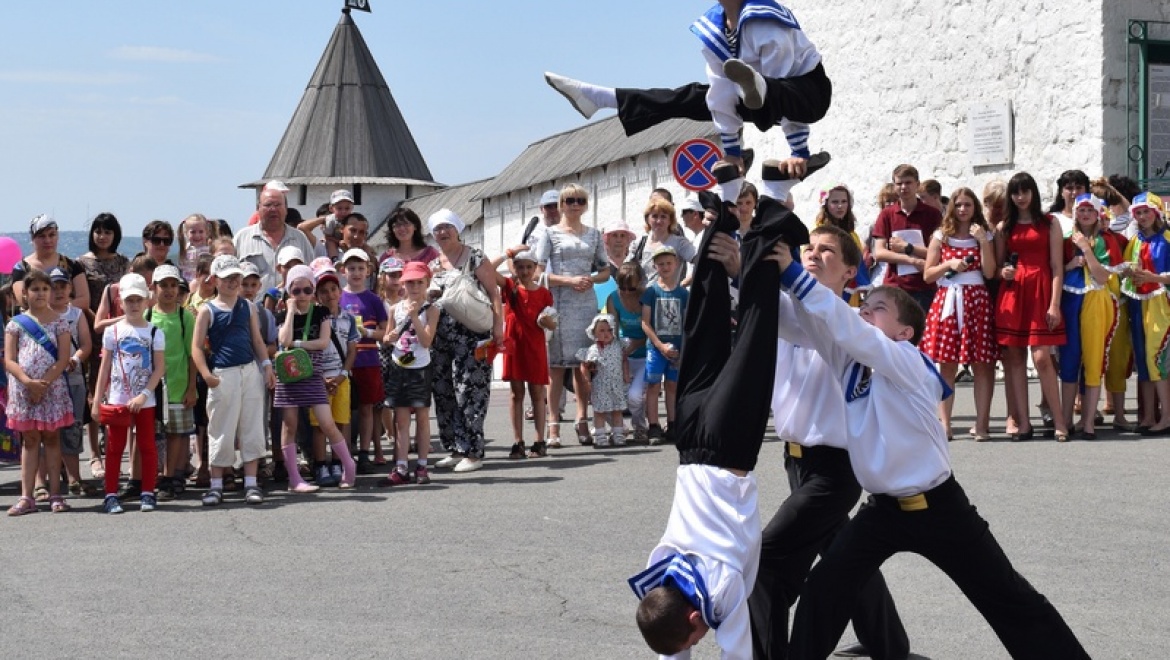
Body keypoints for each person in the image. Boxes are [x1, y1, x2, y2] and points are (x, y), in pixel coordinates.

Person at [769, 250, 1089, 658]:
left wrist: (793, 272)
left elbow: (848, 329)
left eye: (878, 309)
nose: (864, 312)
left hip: (939, 508)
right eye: (863, 307)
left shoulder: (907, 360)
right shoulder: (852, 362)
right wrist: (745, 273)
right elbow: (805, 326)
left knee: (1010, 599)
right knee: (824, 590)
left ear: (905, 332)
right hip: (882, 512)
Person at [627, 160, 807, 658]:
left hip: (729, 445)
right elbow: (666, 633)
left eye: (695, 635)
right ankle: (726, 206)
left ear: (693, 617)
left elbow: (738, 649)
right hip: (688, 441)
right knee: (703, 325)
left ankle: (767, 206)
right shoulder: (660, 569)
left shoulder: (721, 589)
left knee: (754, 334)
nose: (700, 637)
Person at [750, 225, 909, 660]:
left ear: (850, 272)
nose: (813, 255)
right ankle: (890, 646)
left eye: (826, 251)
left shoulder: (853, 323)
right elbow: (753, 291)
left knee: (765, 562)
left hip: (834, 471)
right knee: (845, 557)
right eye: (809, 249)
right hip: (795, 461)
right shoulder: (788, 309)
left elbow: (811, 323)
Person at [545, 0, 832, 175]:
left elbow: (785, 92)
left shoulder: (768, 21)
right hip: (755, 95)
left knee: (775, 90)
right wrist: (731, 151)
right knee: (695, 96)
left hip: (808, 93)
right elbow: (719, 92)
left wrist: (799, 151)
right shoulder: (714, 29)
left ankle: (756, 86)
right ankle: (602, 98)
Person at [191, 255, 277, 506]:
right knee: (221, 428)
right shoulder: (207, 310)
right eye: (227, 277)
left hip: (249, 371)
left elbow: (257, 340)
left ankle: (251, 482)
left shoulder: (248, 307)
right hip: (223, 373)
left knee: (252, 426)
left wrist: (266, 365)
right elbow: (196, 347)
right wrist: (206, 374)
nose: (232, 282)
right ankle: (216, 484)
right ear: (215, 280)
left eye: (235, 277)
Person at [533, 185, 610, 447]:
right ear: (562, 205)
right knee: (556, 368)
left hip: (586, 303)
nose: (574, 205)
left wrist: (590, 278)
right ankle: (553, 425)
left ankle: (582, 419)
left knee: (583, 367)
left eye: (580, 200)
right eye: (569, 200)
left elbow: (605, 271)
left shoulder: (594, 234)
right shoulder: (550, 234)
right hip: (560, 302)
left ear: (586, 204)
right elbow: (536, 273)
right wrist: (568, 280)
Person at [919, 188, 998, 441]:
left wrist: (984, 242)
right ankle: (945, 424)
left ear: (975, 207)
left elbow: (989, 272)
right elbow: (928, 274)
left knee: (982, 365)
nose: (963, 209)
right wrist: (948, 265)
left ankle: (982, 423)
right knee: (947, 364)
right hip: (948, 301)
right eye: (959, 205)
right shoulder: (941, 236)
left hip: (976, 299)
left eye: (968, 205)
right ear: (952, 208)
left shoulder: (983, 234)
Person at [429, 209, 504, 472]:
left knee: (470, 392)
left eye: (447, 226)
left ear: (458, 228)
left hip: (473, 337)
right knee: (444, 392)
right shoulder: (434, 264)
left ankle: (473, 451)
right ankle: (455, 447)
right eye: (437, 228)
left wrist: (499, 328)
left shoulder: (475, 257)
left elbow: (495, 294)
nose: (442, 232)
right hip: (442, 337)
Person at [995, 172, 1067, 441]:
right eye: (1015, 192)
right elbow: (1000, 264)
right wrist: (1005, 272)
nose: (1021, 197)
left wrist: (1055, 305)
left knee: (1041, 358)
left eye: (1025, 191)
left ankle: (1059, 421)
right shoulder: (1005, 227)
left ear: (1034, 193)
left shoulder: (1050, 223)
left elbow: (1057, 267)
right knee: (1014, 359)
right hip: (1013, 294)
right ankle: (1024, 423)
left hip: (1041, 290)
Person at [275, 265, 358, 492]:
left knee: (327, 422)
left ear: (313, 290)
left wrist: (297, 345)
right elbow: (283, 340)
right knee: (289, 425)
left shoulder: (321, 313)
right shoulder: (282, 314)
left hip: (313, 375)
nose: (302, 295)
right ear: (289, 291)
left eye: (307, 290)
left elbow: (322, 343)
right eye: (296, 290)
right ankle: (295, 479)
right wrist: (291, 312)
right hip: (289, 377)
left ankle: (348, 464)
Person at [91, 273, 165, 514]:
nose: (134, 305)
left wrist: (144, 394)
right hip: (117, 399)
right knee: (114, 447)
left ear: (146, 301)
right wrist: (97, 398)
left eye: (138, 300)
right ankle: (111, 493)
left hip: (145, 400)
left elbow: (159, 367)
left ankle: (148, 491)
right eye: (129, 300)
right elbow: (105, 366)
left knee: (146, 445)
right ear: (121, 303)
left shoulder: (155, 332)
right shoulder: (112, 331)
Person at [5, 270, 75, 516]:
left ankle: (56, 493)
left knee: (52, 439)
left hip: (52, 388)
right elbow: (9, 360)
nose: (41, 293)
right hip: (24, 390)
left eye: (45, 289)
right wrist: (28, 382)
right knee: (30, 440)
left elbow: (64, 358)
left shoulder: (59, 322)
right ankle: (27, 496)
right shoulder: (15, 324)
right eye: (35, 289)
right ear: (25, 293)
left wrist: (42, 384)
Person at [1058, 194, 1121, 440]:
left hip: (1095, 299)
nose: (1084, 214)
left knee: (1093, 359)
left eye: (1089, 210)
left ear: (1097, 214)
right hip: (1070, 299)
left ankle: (1088, 422)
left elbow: (1103, 276)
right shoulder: (1064, 240)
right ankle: (1065, 420)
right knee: (1070, 359)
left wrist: (1086, 249)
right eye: (1080, 210)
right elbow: (1056, 271)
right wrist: (1069, 264)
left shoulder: (1105, 240)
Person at [77, 212, 130, 480]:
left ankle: (114, 452)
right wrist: (95, 320)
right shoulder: (82, 263)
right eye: (98, 231)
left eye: (108, 231)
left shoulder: (124, 262)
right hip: (95, 331)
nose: (102, 236)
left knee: (118, 391)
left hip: (123, 333)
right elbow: (80, 298)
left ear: (115, 234)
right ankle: (95, 455)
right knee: (94, 392)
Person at [378, 261, 441, 486]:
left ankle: (422, 465)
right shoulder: (395, 308)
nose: (414, 287)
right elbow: (385, 339)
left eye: (419, 282)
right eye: (410, 282)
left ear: (427, 283)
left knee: (422, 419)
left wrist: (415, 316)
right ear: (403, 284)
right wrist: (390, 337)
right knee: (401, 420)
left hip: (420, 368)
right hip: (399, 366)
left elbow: (426, 341)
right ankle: (401, 466)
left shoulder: (432, 310)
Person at [494, 248, 555, 459]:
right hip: (514, 346)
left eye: (529, 267)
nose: (525, 271)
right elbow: (487, 270)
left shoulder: (544, 293)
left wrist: (550, 323)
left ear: (536, 268)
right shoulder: (510, 288)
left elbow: (552, 321)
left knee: (537, 394)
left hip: (535, 346)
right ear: (515, 268)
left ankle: (540, 441)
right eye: (521, 267)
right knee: (516, 393)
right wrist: (507, 253)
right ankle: (518, 441)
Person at [1121, 192, 1170, 435]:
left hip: (1162, 304)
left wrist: (1154, 277)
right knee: (1143, 358)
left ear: (1157, 212)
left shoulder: (1168, 238)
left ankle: (1167, 416)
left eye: (1146, 211)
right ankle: (1149, 415)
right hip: (1138, 303)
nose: (1142, 217)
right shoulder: (1134, 242)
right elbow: (1126, 269)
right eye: (1138, 213)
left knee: (1157, 357)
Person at [146, 265, 197, 500]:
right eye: (163, 285)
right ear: (153, 288)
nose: (168, 290)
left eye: (173, 285)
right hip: (153, 387)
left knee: (177, 433)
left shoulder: (185, 317)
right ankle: (154, 474)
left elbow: (191, 354)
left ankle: (173, 475)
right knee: (156, 433)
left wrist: (191, 387)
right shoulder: (147, 316)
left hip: (178, 384)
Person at [47, 267, 96, 499]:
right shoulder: (39, 314)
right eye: (53, 287)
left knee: (73, 428)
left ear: (70, 288)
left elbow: (86, 344)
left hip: (73, 380)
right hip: (47, 381)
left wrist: (75, 359)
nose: (58, 291)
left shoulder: (76, 314)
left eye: (63, 286)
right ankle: (46, 480)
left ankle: (75, 477)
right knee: (47, 429)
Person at [338, 248, 389, 473]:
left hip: (368, 360)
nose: (356, 273)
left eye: (360, 268)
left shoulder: (374, 300)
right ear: (343, 271)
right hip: (343, 362)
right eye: (351, 268)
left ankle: (365, 453)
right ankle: (346, 452)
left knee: (367, 408)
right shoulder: (337, 297)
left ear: (368, 270)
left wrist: (366, 333)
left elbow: (385, 333)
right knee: (345, 410)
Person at [311, 259, 359, 486]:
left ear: (340, 291)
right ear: (316, 295)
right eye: (323, 291)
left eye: (333, 289)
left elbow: (351, 350)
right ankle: (321, 465)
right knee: (319, 425)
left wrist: (342, 375)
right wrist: (320, 377)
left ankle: (340, 461)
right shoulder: (312, 319)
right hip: (317, 379)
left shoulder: (348, 319)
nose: (329, 294)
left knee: (340, 422)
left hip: (341, 378)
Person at [869, 165, 943, 312]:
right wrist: (912, 259)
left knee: (921, 333)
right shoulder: (887, 214)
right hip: (894, 286)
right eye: (899, 183)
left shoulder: (932, 214)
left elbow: (939, 253)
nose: (903, 187)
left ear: (917, 184)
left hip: (924, 287)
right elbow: (879, 253)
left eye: (908, 182)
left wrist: (907, 248)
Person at [641, 246, 689, 445]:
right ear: (655, 266)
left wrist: (681, 348)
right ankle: (653, 425)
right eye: (661, 264)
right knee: (653, 385)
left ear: (676, 264)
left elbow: (687, 323)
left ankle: (673, 423)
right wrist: (659, 345)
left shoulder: (683, 294)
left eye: (669, 263)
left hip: (676, 348)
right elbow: (645, 322)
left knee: (672, 385)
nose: (665, 267)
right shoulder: (651, 291)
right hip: (656, 347)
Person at [235, 187, 317, 292]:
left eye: (278, 205)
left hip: (290, 306)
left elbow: (311, 274)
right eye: (268, 205)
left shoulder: (300, 239)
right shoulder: (242, 238)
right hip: (252, 307)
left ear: (286, 209)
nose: (273, 209)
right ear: (258, 208)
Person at [606, 262, 650, 444]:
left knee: (634, 396)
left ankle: (639, 425)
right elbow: (612, 330)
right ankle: (618, 427)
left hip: (645, 353)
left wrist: (639, 342)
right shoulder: (613, 298)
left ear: (640, 283)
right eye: (621, 287)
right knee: (605, 393)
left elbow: (656, 330)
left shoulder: (648, 297)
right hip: (623, 354)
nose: (625, 292)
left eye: (630, 288)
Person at [12, 214, 89, 312]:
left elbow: (84, 300)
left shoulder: (72, 265)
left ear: (57, 236)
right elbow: (24, 301)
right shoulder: (21, 268)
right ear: (33, 239)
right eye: (42, 236)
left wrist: (54, 307)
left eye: (51, 235)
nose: (47, 240)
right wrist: (61, 304)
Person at [577, 314, 629, 447]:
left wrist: (626, 376)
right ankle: (600, 434)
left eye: (609, 330)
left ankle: (617, 433)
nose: (606, 333)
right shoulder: (594, 350)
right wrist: (587, 380)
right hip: (601, 386)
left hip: (616, 384)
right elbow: (585, 365)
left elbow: (624, 360)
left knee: (617, 410)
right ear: (594, 333)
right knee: (599, 411)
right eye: (602, 330)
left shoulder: (618, 346)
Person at [814, 183, 870, 306]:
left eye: (844, 201)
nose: (840, 206)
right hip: (828, 289)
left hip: (851, 291)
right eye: (835, 202)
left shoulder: (852, 234)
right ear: (826, 204)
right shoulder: (819, 232)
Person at [632, 200, 698, 288]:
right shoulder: (639, 243)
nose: (659, 221)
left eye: (663, 217)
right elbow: (626, 269)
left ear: (670, 220)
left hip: (669, 299)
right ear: (647, 219)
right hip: (642, 298)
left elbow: (701, 262)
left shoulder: (680, 243)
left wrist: (682, 285)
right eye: (654, 216)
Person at [1048, 169, 1090, 235]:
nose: (1075, 192)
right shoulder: (1052, 220)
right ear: (1061, 192)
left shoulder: (1096, 218)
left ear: (1086, 192)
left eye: (1078, 188)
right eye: (1069, 188)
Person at [178, 213, 215, 283]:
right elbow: (181, 267)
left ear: (207, 233)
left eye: (201, 232)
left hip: (205, 281)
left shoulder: (210, 249)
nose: (197, 235)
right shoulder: (185, 249)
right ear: (186, 233)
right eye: (193, 232)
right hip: (187, 281)